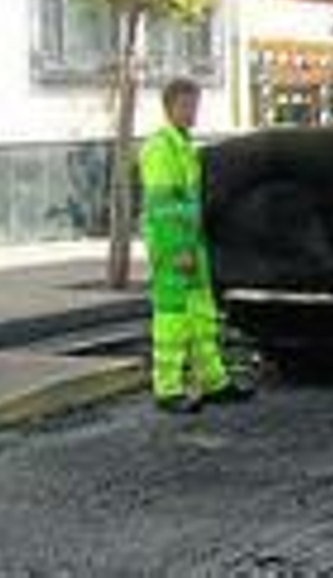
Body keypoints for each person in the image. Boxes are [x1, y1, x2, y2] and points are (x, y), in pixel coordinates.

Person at [140, 78, 251, 414]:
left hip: (190, 244)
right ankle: (167, 389)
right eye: (187, 105)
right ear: (170, 106)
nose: (193, 112)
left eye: (195, 105)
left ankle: (214, 381)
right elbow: (163, 207)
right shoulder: (162, 148)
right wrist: (179, 249)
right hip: (174, 247)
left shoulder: (184, 146)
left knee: (202, 316)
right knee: (172, 317)